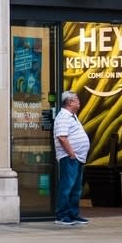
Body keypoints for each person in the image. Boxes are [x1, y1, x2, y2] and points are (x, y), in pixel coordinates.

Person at [53, 90, 91, 226]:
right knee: (67, 186)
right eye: (76, 99)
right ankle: (62, 216)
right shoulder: (63, 117)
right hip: (70, 157)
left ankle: (73, 214)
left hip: (77, 157)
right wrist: (71, 154)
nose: (78, 101)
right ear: (69, 102)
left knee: (76, 188)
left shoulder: (72, 116)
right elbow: (61, 137)